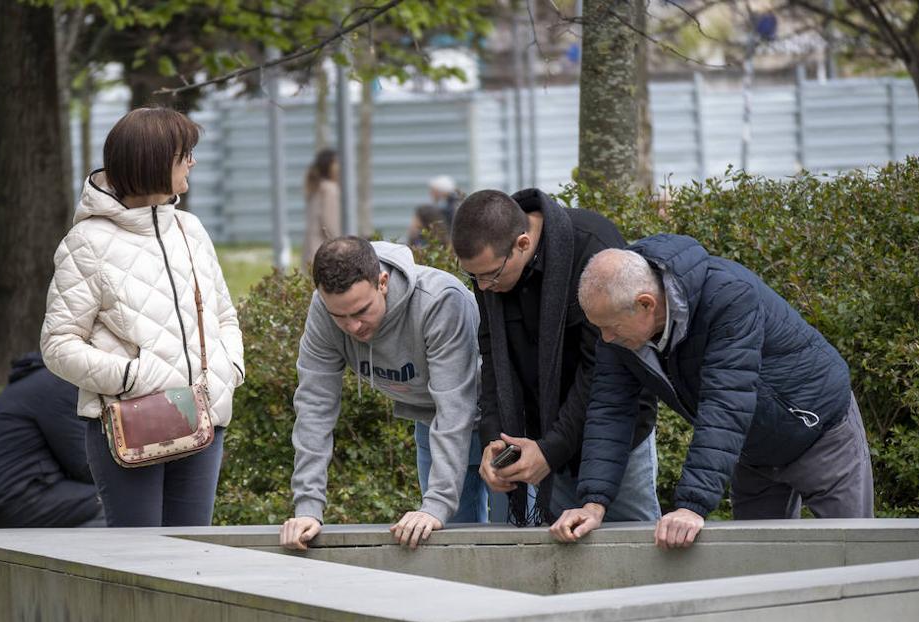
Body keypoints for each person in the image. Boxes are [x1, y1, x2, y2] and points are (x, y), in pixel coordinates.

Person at [551, 238, 874, 550]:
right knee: (754, 568)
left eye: (611, 328)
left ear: (646, 304)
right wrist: (593, 503)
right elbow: (610, 409)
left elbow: (726, 402)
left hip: (820, 432)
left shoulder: (728, 296)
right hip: (751, 447)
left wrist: (691, 506)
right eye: (600, 328)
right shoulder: (619, 325)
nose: (605, 339)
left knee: (855, 555)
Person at [41, 107, 245, 527]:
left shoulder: (191, 229)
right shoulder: (87, 243)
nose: (193, 161)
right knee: (139, 561)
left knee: (195, 558)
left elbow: (224, 313)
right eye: (183, 153)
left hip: (204, 416)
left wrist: (229, 369)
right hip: (132, 424)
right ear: (153, 161)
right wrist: (134, 378)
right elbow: (58, 345)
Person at [450, 189, 660, 527]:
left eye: (490, 274)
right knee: (564, 559)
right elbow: (491, 357)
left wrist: (552, 449)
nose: (483, 286)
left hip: (616, 436)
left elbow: (603, 369)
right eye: (474, 277)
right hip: (548, 441)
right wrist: (494, 439)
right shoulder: (490, 269)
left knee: (633, 551)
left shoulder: (592, 247)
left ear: (522, 243)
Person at [280, 236, 484, 550]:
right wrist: (308, 509)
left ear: (383, 282)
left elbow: (455, 405)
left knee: (516, 538)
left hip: (502, 423)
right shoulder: (324, 310)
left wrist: (436, 504)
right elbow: (314, 407)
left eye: (362, 311)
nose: (353, 327)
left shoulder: (439, 300)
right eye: (340, 316)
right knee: (453, 548)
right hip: (432, 423)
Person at [0, 353, 103, 528]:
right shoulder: (57, 386)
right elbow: (87, 467)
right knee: (118, 504)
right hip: (17, 501)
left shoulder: (40, 380)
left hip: (7, 501)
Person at [303, 148, 341, 270]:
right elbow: (330, 224)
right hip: (324, 252)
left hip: (310, 248)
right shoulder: (330, 190)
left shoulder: (316, 186)